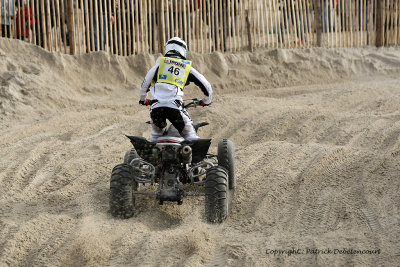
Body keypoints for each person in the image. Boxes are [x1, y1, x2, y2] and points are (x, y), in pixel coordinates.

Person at [139, 37, 213, 142]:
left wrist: (143, 99)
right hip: (175, 108)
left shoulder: (159, 65)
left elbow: (144, 84)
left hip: (156, 108)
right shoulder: (187, 67)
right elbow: (206, 86)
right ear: (183, 51)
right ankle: (189, 151)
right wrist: (206, 101)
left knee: (155, 136)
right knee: (190, 135)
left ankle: (152, 151)